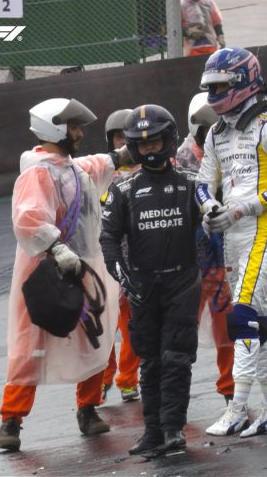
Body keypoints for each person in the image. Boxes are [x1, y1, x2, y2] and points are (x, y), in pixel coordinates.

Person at [0, 98, 123, 451]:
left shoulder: (71, 167)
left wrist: (131, 151)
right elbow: (28, 218)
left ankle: (88, 408)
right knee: (30, 346)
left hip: (81, 267)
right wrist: (57, 247)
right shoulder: (38, 172)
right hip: (46, 272)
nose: (80, 133)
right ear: (54, 126)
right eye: (74, 127)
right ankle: (11, 419)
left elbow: (99, 165)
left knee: (94, 339)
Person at [197, 47, 267, 437]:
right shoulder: (215, 133)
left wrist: (241, 209)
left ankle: (238, 407)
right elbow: (203, 184)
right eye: (212, 86)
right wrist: (210, 209)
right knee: (259, 320)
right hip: (230, 236)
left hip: (262, 228)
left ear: (243, 81)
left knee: (241, 315)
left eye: (221, 85)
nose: (215, 93)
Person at [100, 105, 202, 456]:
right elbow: (108, 238)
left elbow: (214, 223)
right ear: (133, 147)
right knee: (151, 362)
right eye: (143, 146)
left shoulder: (192, 182)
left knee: (177, 359)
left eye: (156, 142)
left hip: (183, 284)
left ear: (169, 140)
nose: (151, 150)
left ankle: (174, 429)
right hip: (142, 287)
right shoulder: (123, 189)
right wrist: (123, 277)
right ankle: (153, 432)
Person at [175, 92, 235, 405]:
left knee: (225, 316)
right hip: (188, 257)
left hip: (217, 253)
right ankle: (171, 387)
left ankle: (230, 385)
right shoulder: (184, 159)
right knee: (184, 323)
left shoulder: (232, 150)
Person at [100, 109, 141, 404]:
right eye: (117, 137)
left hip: (136, 261)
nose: (122, 142)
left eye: (127, 137)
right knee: (103, 326)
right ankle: (103, 376)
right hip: (104, 260)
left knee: (132, 326)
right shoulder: (100, 174)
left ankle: (128, 379)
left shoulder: (149, 171)